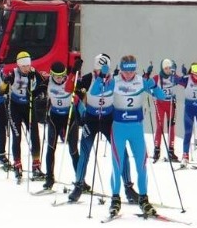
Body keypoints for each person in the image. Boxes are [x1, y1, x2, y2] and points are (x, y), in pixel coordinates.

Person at [68, 53, 136, 203]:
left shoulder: (115, 79)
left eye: (103, 69)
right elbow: (71, 90)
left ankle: (129, 188)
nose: (101, 73)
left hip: (108, 119)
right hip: (91, 119)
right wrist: (73, 72)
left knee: (121, 151)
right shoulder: (87, 79)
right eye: (98, 70)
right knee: (85, 151)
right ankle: (78, 185)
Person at [107, 54, 168, 218]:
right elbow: (98, 93)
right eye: (126, 71)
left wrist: (154, 86)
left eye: (132, 71)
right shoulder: (114, 80)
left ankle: (143, 199)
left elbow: (161, 96)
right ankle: (115, 199)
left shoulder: (141, 80)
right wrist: (102, 80)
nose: (128, 75)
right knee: (117, 165)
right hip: (118, 127)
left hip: (136, 129)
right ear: (120, 69)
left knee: (142, 165)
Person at [5, 51, 44, 181]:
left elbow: (43, 86)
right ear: (19, 65)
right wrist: (5, 84)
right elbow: (1, 90)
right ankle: (17, 164)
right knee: (17, 136)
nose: (26, 68)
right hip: (14, 107)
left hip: (28, 106)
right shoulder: (13, 73)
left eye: (28, 65)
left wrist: (38, 92)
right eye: (24, 66)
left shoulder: (33, 73)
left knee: (34, 134)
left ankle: (36, 165)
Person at [41, 61, 75, 191]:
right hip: (54, 118)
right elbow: (35, 89)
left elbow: (81, 90)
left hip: (69, 117)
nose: (59, 79)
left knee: (73, 150)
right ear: (52, 75)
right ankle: (49, 178)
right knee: (51, 148)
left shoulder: (71, 81)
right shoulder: (48, 82)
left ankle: (80, 180)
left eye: (62, 76)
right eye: (56, 76)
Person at [151, 59, 179, 163]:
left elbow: (182, 81)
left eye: (169, 68)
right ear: (162, 68)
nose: (168, 70)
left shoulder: (173, 77)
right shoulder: (157, 78)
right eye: (165, 68)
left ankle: (171, 151)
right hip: (160, 104)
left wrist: (183, 74)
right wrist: (153, 93)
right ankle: (157, 150)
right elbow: (148, 86)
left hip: (171, 104)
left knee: (171, 127)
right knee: (160, 126)